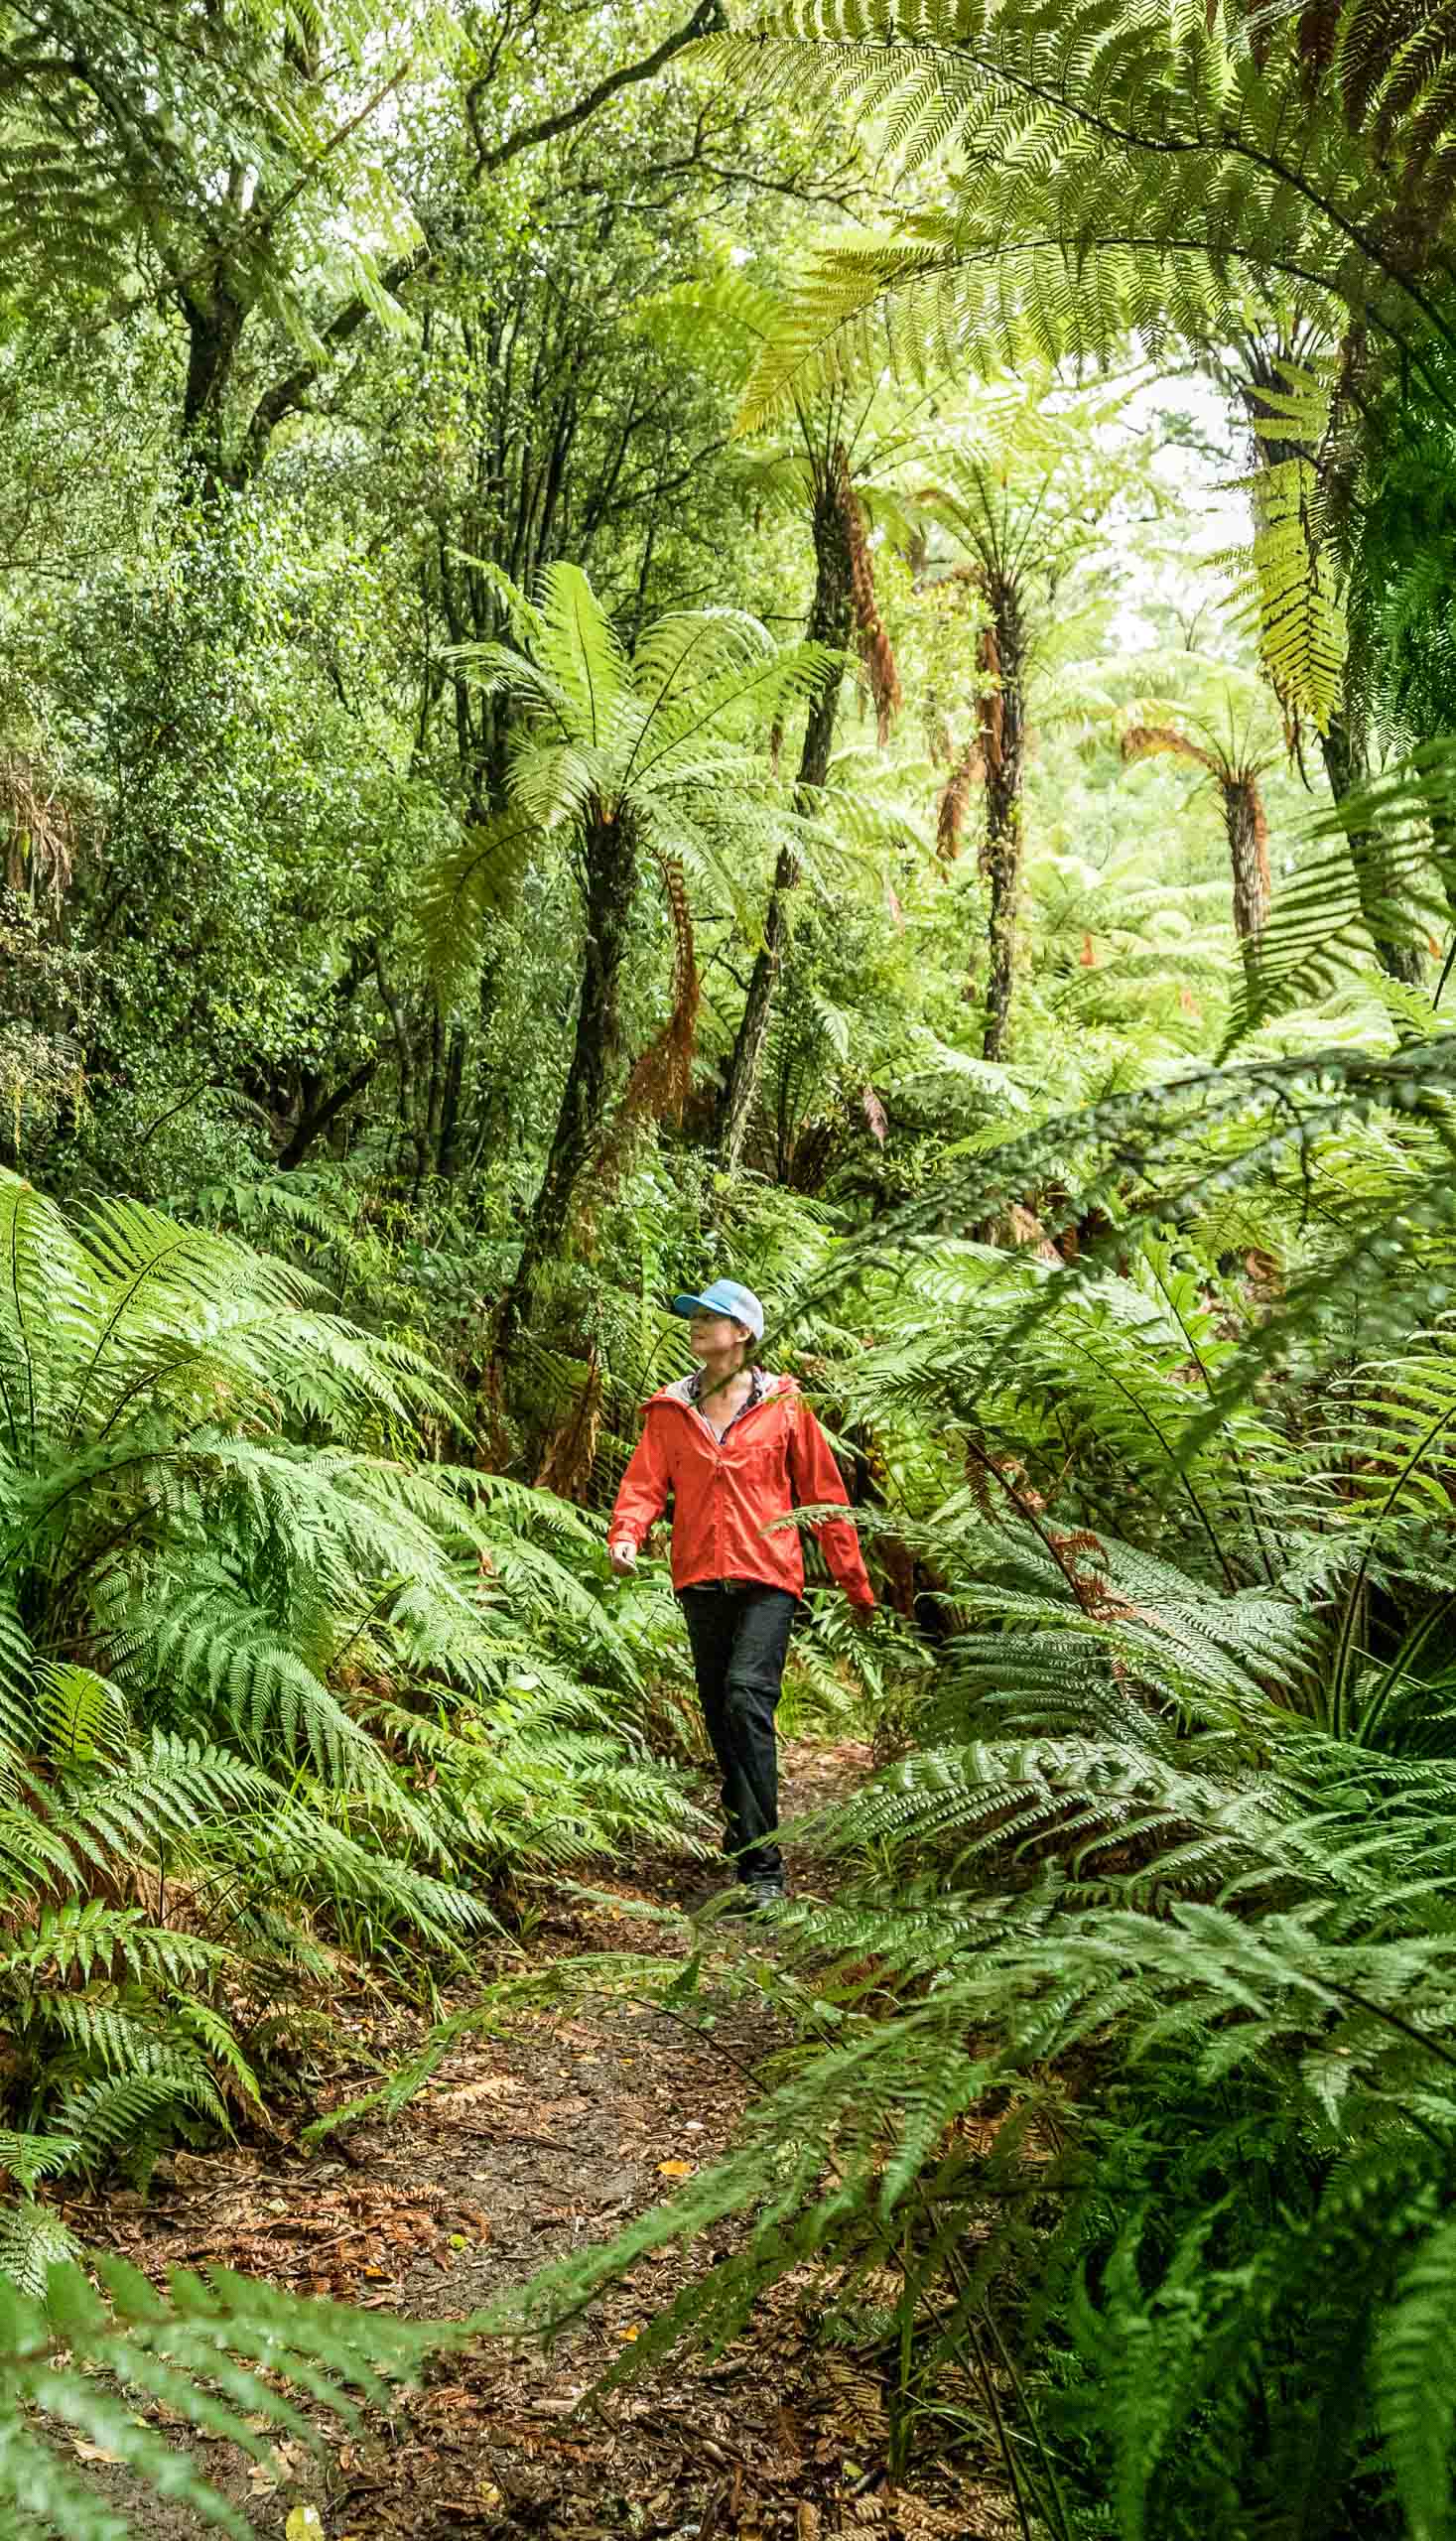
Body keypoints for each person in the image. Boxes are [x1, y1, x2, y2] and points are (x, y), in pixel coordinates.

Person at [607, 1277, 874, 1912]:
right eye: (694, 1316)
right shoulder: (671, 1412)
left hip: (768, 1579)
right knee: (719, 1711)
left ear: (744, 1333)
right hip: (700, 1579)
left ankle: (764, 1867)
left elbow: (824, 1495)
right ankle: (744, 1823)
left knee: (744, 1697)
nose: (697, 1325)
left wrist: (853, 1583)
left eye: (712, 1316)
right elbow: (645, 1483)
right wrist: (627, 1533)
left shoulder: (786, 1407)